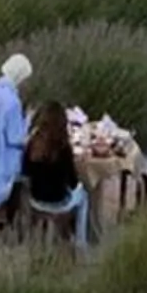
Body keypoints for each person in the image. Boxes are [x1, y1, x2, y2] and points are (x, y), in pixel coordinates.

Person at [22, 100, 92, 247]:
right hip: (58, 201)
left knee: (77, 193)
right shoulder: (63, 147)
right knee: (84, 196)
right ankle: (81, 242)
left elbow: (26, 172)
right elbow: (73, 183)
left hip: (35, 198)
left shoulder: (33, 143)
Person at [0, 52, 32, 223]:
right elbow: (15, 138)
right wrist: (29, 123)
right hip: (5, 156)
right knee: (14, 181)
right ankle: (9, 219)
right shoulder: (12, 101)